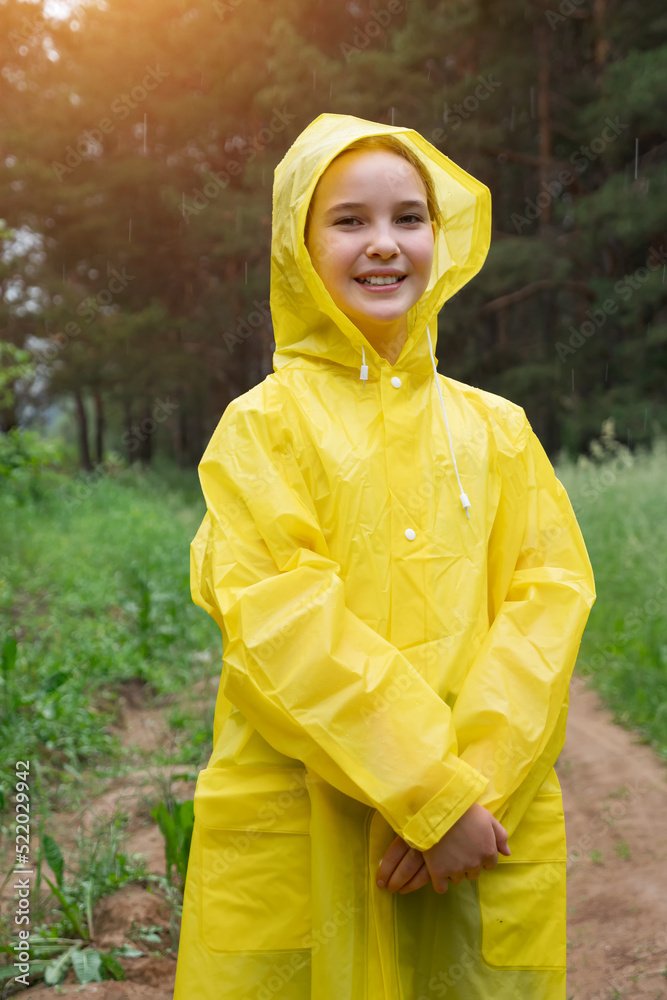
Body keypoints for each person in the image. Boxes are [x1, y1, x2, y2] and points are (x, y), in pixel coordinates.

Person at [173, 112, 596, 1000]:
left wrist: (465, 799)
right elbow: (282, 626)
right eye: (348, 220)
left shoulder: (498, 431)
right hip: (306, 825)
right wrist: (427, 794)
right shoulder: (261, 430)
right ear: (298, 244)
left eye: (409, 218)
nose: (383, 245)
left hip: (478, 832)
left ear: (440, 238)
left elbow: (545, 608)